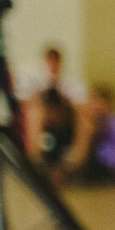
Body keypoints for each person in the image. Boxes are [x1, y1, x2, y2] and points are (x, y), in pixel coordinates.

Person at [17, 45, 107, 182]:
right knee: (35, 113)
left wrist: (65, 100)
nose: (53, 67)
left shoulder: (70, 82)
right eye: (50, 63)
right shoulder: (32, 80)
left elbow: (82, 107)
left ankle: (73, 165)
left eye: (56, 63)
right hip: (43, 118)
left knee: (86, 123)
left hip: (65, 121)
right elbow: (23, 104)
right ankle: (34, 161)